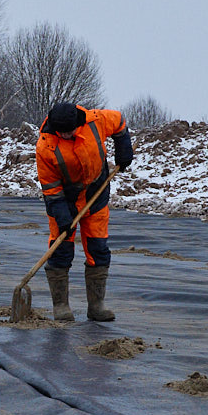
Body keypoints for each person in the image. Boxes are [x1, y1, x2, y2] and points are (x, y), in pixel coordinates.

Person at [36, 101, 133, 321]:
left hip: (95, 193)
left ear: (77, 124)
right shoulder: (45, 146)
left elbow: (119, 122)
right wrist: (62, 217)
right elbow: (51, 188)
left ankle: (96, 306)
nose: (66, 135)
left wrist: (124, 149)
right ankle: (61, 306)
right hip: (64, 199)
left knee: (98, 247)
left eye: (69, 131)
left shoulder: (95, 121)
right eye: (61, 132)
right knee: (61, 249)